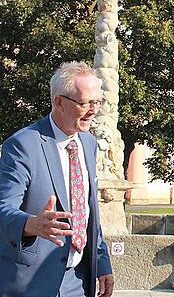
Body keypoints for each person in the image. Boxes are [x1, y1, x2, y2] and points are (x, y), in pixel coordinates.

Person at [0, 62, 114, 296]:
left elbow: (88, 210)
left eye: (97, 102)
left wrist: (102, 262)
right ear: (59, 102)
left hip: (78, 281)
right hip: (32, 282)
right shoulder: (23, 145)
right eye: (84, 103)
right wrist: (30, 224)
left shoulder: (88, 143)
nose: (94, 111)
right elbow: (3, 206)